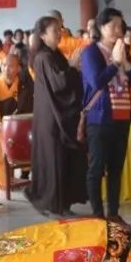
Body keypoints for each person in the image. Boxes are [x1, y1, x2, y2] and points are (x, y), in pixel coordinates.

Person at [81, 8, 131, 226]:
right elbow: (96, 82)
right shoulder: (91, 52)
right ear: (100, 27)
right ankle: (97, 215)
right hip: (99, 118)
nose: (118, 30)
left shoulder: (123, 50)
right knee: (96, 168)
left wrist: (124, 62)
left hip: (122, 116)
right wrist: (115, 63)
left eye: (120, 25)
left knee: (116, 168)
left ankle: (114, 214)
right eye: (113, 25)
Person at [27, 16, 88, 216]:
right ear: (43, 35)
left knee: (64, 159)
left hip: (58, 115)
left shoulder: (55, 54)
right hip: (52, 119)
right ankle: (56, 204)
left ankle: (60, 202)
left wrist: (73, 69)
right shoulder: (44, 57)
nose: (59, 32)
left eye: (60, 28)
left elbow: (66, 80)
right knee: (56, 161)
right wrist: (70, 68)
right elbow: (59, 84)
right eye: (54, 30)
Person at [0, 52, 34, 190]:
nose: (6, 69)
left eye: (11, 66)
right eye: (4, 65)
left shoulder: (25, 88)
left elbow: (29, 112)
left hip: (19, 130)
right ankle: (2, 181)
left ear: (18, 69)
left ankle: (26, 173)